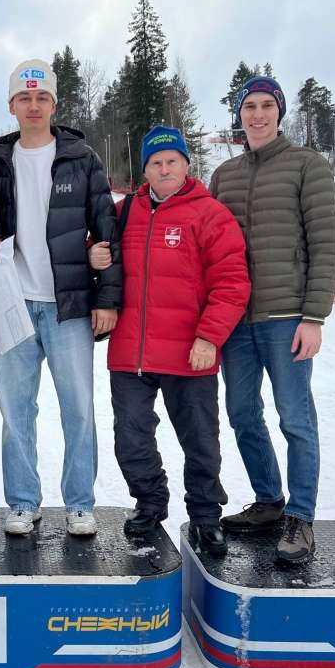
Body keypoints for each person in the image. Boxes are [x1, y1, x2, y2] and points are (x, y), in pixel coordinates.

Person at [89, 127, 250, 554]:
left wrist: (209, 337)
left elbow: (232, 283)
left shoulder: (210, 214)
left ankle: (205, 515)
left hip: (189, 354)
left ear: (186, 164)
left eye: (172, 161)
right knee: (132, 438)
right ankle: (149, 502)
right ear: (145, 169)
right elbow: (96, 250)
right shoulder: (123, 212)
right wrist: (93, 255)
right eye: (156, 163)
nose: (164, 168)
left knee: (199, 440)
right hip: (131, 353)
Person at [0, 59, 122, 536]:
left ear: (54, 104)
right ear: (12, 105)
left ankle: (80, 502)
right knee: (15, 409)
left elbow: (107, 229)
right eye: (25, 97)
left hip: (70, 306)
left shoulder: (81, 157)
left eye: (42, 97)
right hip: (14, 303)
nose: (34, 105)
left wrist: (107, 299)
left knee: (78, 407)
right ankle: (23, 501)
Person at [209, 76, 335, 564]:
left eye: (267, 106)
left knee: (295, 418)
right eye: (249, 107)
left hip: (287, 317)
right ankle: (269, 501)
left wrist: (314, 316)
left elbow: (325, 243)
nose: (257, 115)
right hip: (237, 321)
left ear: (279, 112)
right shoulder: (224, 175)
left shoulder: (308, 165)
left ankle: (301, 517)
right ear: (239, 114)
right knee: (243, 414)